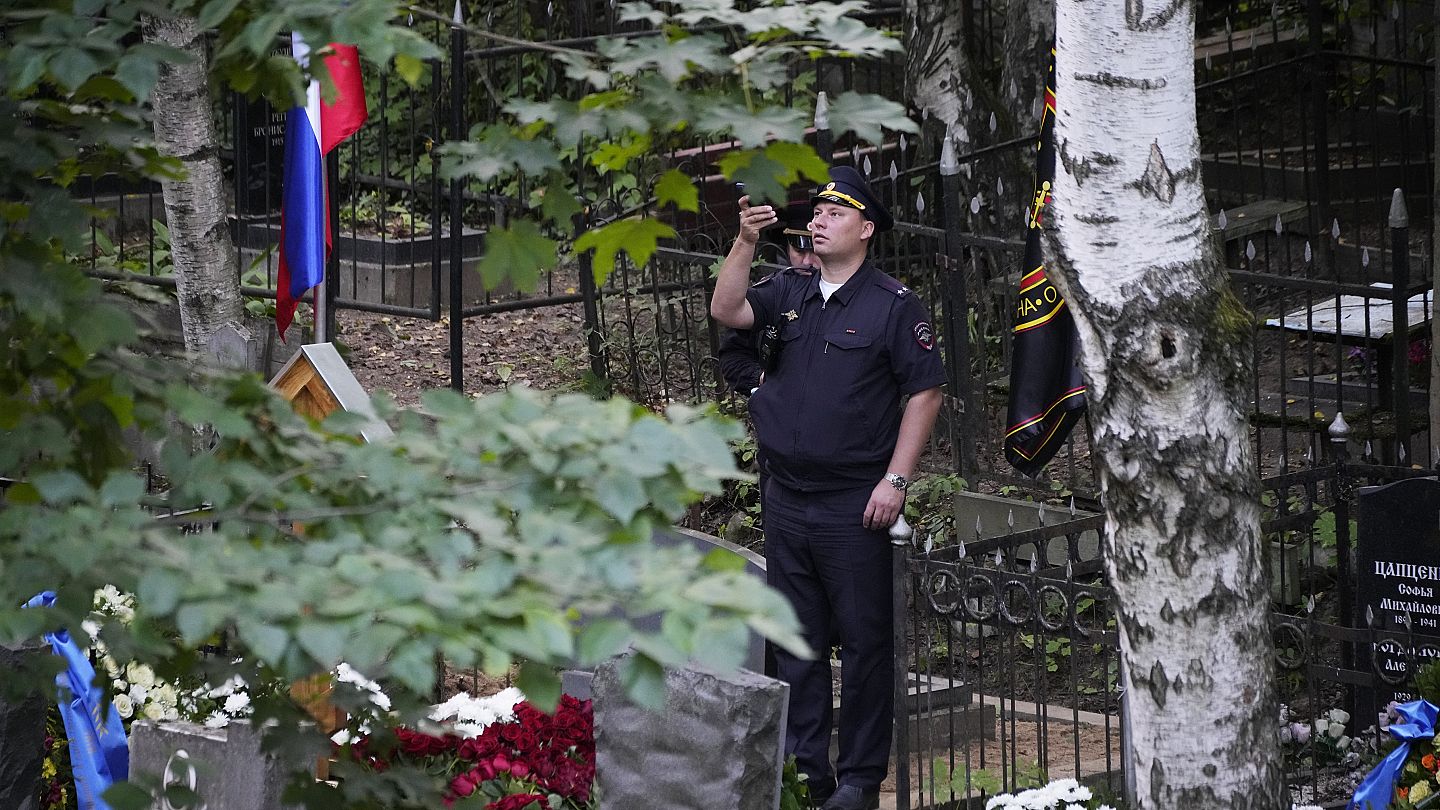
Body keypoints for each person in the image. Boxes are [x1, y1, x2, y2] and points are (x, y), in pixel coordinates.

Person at [709, 167, 946, 810]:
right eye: (816, 212)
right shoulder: (788, 288)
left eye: (835, 213)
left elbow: (924, 392)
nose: (818, 219)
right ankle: (807, 768)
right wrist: (741, 243)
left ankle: (860, 779)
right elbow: (727, 310)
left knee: (866, 645)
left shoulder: (893, 305)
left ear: (866, 229)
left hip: (854, 503)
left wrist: (896, 481)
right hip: (787, 497)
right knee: (798, 641)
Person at [715, 202, 818, 397]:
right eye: (799, 251)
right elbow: (733, 356)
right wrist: (763, 379)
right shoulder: (775, 290)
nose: (807, 262)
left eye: (815, 252)